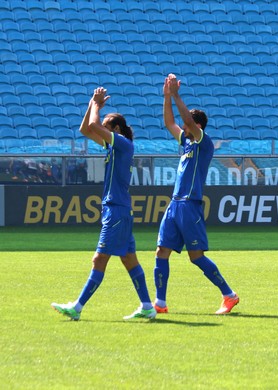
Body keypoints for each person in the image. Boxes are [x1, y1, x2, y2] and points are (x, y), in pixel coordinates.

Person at [52, 87, 155, 321]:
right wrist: (92, 102)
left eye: (108, 128)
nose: (103, 132)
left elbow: (95, 126)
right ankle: (148, 306)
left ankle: (77, 308)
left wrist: (98, 106)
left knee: (99, 259)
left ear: (116, 130)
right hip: (117, 208)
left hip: (116, 209)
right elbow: (85, 129)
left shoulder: (123, 144)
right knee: (129, 259)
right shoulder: (115, 147)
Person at [153, 74, 239, 315]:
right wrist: (167, 96)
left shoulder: (203, 141)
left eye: (188, 123)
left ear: (197, 126)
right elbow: (170, 123)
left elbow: (184, 122)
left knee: (196, 256)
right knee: (161, 251)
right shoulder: (188, 143)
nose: (183, 127)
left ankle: (229, 295)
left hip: (190, 206)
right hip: (175, 205)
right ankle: (160, 303)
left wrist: (177, 95)